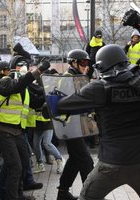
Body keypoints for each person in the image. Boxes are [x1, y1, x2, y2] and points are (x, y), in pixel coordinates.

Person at [57, 44, 140, 200]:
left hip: (110, 163)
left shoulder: (99, 87)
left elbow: (62, 105)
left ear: (102, 66)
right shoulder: (138, 83)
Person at [0, 55, 50, 200]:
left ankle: (15, 194)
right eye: (19, 66)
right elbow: (17, 85)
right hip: (4, 130)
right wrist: (38, 71)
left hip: (18, 131)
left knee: (24, 163)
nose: (22, 69)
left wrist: (48, 94)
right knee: (15, 167)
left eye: (24, 66)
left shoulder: (25, 89)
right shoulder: (5, 82)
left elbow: (35, 103)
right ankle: (11, 197)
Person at [56, 49, 94, 200]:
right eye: (83, 62)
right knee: (86, 160)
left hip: (76, 125)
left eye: (87, 63)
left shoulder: (78, 76)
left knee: (75, 160)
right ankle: (91, 196)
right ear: (73, 62)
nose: (86, 65)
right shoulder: (67, 77)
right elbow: (65, 102)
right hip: (70, 126)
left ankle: (63, 193)